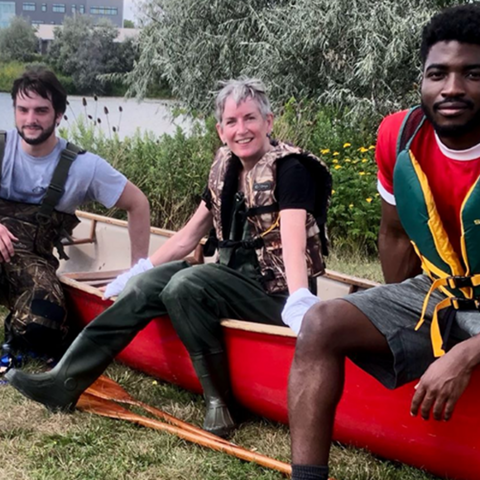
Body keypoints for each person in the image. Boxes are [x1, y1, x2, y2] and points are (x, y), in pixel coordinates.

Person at [6, 78, 331, 438]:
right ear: (220, 130)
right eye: (232, 122)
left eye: (250, 119)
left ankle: (221, 404)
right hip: (231, 282)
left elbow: (293, 238)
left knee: (186, 283)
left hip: (277, 293)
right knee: (148, 284)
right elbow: (190, 235)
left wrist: (301, 300)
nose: (242, 130)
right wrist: (140, 269)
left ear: (268, 122)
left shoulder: (291, 170)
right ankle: (64, 382)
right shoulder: (227, 166)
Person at [284, 4, 480, 480]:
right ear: (422, 79)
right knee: (321, 321)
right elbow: (394, 234)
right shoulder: (398, 135)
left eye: (472, 74)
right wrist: (414, 329)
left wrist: (465, 351)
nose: (452, 88)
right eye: (439, 73)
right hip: (441, 289)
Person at [0, 67, 150, 365]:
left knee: (46, 316)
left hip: (30, 263)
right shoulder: (1, 148)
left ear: (58, 115)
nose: (31, 119)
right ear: (14, 111)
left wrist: (138, 273)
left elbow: (138, 203)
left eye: (41, 111)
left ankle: (14, 345)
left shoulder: (84, 167)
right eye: (23, 109)